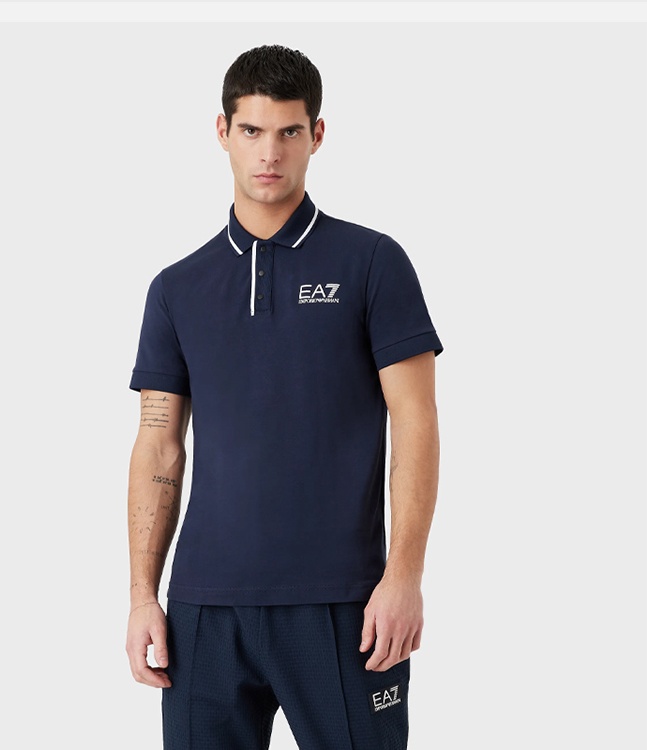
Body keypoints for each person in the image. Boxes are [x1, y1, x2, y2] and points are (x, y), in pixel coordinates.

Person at [125, 44, 444, 750]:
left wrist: (404, 575)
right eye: (251, 130)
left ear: (316, 135)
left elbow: (416, 421)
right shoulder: (176, 289)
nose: (269, 153)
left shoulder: (372, 263)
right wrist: (144, 594)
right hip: (204, 610)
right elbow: (159, 445)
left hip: (343, 604)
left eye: (289, 131)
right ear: (222, 131)